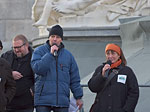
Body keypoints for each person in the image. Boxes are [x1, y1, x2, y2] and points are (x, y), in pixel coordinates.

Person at [31, 24, 83, 112]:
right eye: (52, 36)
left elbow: (74, 78)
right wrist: (50, 55)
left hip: (61, 101)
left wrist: (78, 97)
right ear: (49, 38)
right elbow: (38, 69)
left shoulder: (68, 56)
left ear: (61, 39)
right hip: (43, 101)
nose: (55, 39)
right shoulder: (39, 51)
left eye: (58, 37)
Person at [88, 43, 139, 112]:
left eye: (113, 53)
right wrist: (101, 75)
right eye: (108, 54)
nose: (110, 56)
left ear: (119, 55)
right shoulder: (100, 69)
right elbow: (92, 87)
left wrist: (126, 110)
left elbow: (134, 92)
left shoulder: (127, 71)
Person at [1, 34, 34, 112]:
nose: (16, 50)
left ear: (26, 45)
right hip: (8, 104)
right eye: (14, 48)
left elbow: (40, 76)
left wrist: (33, 90)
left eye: (18, 47)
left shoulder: (34, 57)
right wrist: (10, 73)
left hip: (27, 105)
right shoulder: (6, 56)